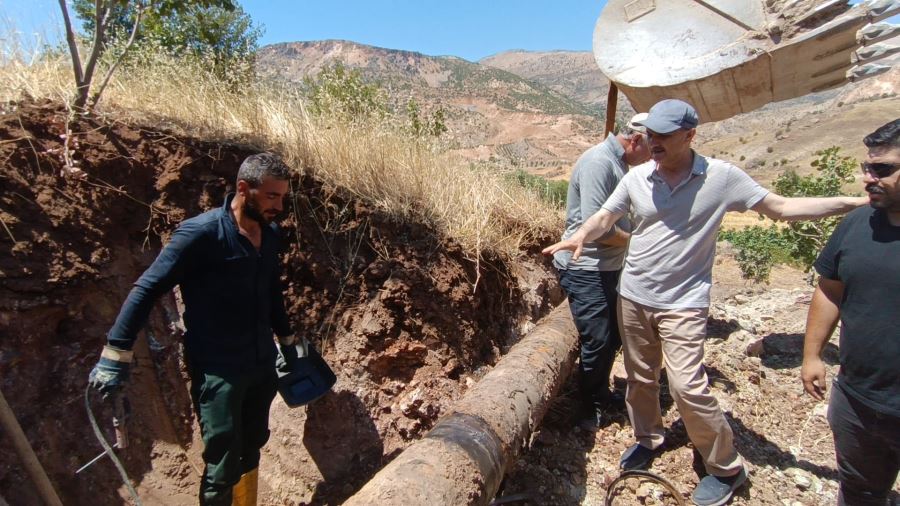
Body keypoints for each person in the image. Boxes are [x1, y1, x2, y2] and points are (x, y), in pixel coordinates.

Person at [543, 99, 868, 506]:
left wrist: (853, 204)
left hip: (683, 302)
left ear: (690, 135)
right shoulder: (638, 177)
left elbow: (782, 208)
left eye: (663, 135)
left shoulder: (722, 178)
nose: (652, 141)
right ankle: (648, 437)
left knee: (687, 386)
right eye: (649, 134)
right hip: (634, 295)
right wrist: (582, 235)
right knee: (640, 378)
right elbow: (605, 216)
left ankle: (726, 468)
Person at [88, 153, 302, 506]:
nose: (279, 206)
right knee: (222, 459)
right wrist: (116, 351)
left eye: (282, 197)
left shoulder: (270, 234)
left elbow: (271, 291)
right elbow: (147, 288)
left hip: (261, 363)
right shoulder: (201, 234)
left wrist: (287, 339)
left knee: (253, 444)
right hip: (218, 371)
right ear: (243, 189)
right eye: (271, 196)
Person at [800, 118, 900, 506]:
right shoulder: (857, 224)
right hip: (858, 402)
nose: (869, 178)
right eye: (867, 168)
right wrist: (812, 355)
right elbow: (830, 289)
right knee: (859, 492)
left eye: (883, 169)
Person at [553, 113, 650, 428]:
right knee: (599, 337)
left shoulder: (619, 163)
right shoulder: (599, 163)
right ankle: (587, 406)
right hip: (587, 267)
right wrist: (635, 242)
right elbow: (598, 230)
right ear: (635, 141)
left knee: (613, 335)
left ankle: (597, 391)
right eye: (652, 149)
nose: (653, 158)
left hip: (607, 265)